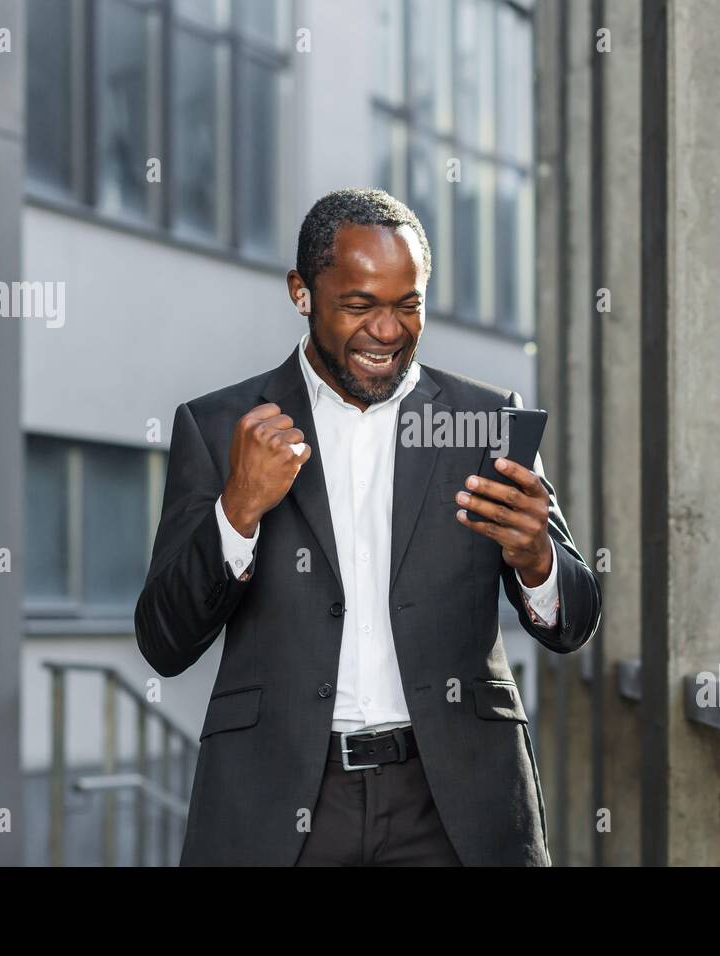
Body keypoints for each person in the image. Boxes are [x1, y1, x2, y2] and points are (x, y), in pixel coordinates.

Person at [135, 188, 602, 866]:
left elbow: (574, 622)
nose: (387, 331)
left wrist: (537, 561)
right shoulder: (218, 428)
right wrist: (236, 511)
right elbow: (163, 641)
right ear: (302, 292)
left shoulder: (486, 421)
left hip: (451, 805)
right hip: (281, 802)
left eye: (407, 305)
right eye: (359, 305)